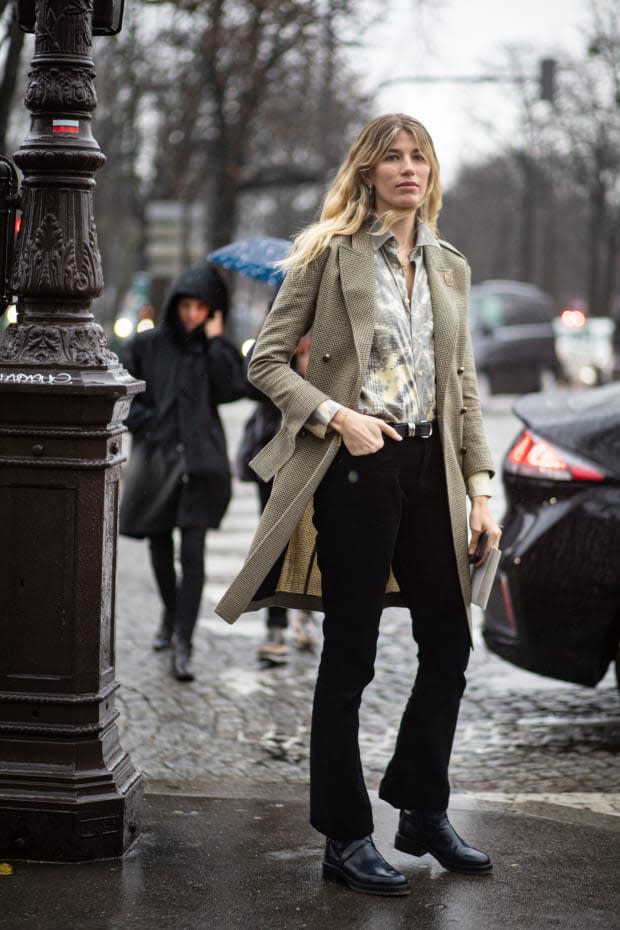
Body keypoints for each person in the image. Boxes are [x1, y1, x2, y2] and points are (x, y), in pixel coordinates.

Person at [216, 113, 501, 895]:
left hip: (430, 471)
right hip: (354, 470)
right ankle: (343, 837)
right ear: (368, 172)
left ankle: (418, 807)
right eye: (392, 158)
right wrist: (337, 416)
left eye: (419, 157)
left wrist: (481, 491)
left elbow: (463, 388)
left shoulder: (450, 265)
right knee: (351, 657)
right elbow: (265, 362)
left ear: (431, 173)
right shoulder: (328, 255)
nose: (408, 169)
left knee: (449, 645)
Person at [120, 262, 246, 683]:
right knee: (158, 548)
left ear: (213, 311)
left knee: (192, 555)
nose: (193, 314)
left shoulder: (211, 348)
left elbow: (233, 389)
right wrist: (147, 422)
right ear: (175, 304)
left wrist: (216, 343)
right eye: (187, 306)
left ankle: (183, 643)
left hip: (200, 466)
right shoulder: (149, 345)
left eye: (202, 308)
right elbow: (123, 390)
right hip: (158, 463)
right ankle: (171, 616)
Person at [237, 330, 320, 664]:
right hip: (277, 452)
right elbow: (248, 382)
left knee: (317, 539)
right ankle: (275, 624)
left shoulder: (331, 335)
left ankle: (306, 612)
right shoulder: (277, 340)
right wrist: (282, 349)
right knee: (274, 540)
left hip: (318, 454)